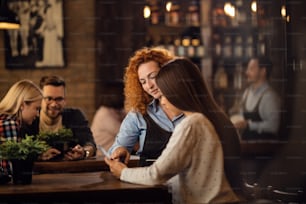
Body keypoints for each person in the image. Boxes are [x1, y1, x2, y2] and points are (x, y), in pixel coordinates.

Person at [105, 58, 242, 204]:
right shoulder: (208, 119)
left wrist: (123, 172)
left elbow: (156, 174)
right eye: (143, 81)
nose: (161, 101)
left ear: (179, 91)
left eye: (165, 94)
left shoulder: (191, 124)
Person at [108, 47, 185, 166]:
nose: (149, 86)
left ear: (167, 73)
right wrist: (120, 150)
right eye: (143, 82)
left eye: (153, 76)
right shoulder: (138, 114)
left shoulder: (192, 109)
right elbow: (117, 148)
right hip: (149, 181)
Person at [27, 75, 96, 161]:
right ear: (40, 99)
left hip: (68, 171)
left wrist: (85, 153)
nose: (54, 104)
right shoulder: (31, 118)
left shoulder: (75, 116)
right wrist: (38, 155)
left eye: (59, 99)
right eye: (49, 98)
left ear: (65, 101)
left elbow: (90, 143)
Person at [0, 80, 43, 181]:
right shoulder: (9, 124)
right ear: (22, 105)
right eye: (36, 109)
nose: (38, 114)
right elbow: (8, 172)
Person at [232, 56, 281, 140]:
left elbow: (274, 126)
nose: (247, 72)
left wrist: (249, 125)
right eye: (247, 69)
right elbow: (241, 116)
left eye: (251, 69)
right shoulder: (247, 93)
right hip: (246, 148)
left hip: (262, 149)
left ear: (263, 71)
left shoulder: (269, 96)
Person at [91, 83, 126, 153]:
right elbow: (127, 136)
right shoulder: (104, 114)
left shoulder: (117, 111)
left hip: (113, 155)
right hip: (101, 159)